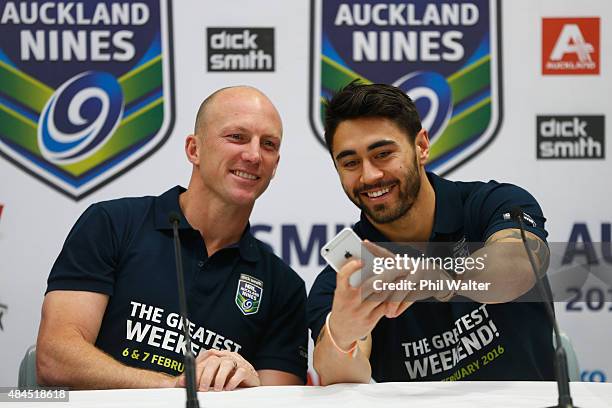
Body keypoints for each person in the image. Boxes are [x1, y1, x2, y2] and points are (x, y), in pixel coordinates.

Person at [37, 86, 307, 390]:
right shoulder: (112, 224)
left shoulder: (284, 286)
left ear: (275, 167)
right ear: (194, 149)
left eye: (268, 144)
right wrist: (174, 388)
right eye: (237, 137)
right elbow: (55, 357)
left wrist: (252, 385)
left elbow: (278, 397)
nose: (254, 154)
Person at [307, 81, 555, 384]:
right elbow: (339, 376)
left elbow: (519, 265)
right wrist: (343, 334)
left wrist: (443, 278)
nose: (369, 175)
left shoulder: (493, 204)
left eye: (383, 154)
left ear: (421, 146)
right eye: (350, 162)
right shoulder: (345, 274)